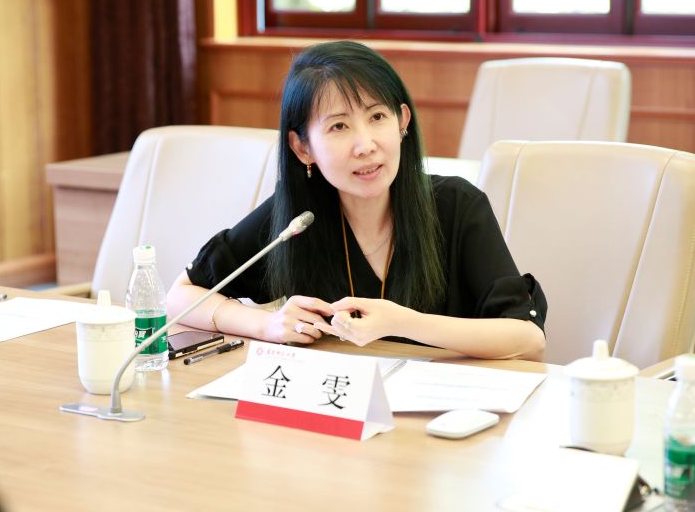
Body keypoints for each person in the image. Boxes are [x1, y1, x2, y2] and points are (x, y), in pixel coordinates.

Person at [166, 40, 547, 359]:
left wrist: (402, 322)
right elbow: (182, 296)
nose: (365, 145)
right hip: (336, 413)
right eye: (339, 126)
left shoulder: (456, 204)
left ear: (402, 121)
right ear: (302, 148)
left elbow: (528, 338)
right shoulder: (299, 219)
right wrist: (267, 324)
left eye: (377, 117)